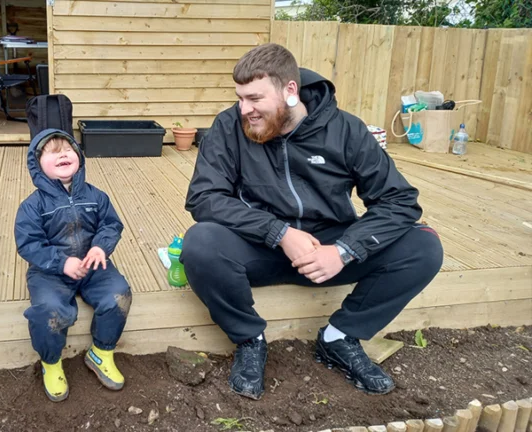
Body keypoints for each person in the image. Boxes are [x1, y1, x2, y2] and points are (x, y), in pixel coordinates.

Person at [181, 43, 443, 400]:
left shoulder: (346, 130)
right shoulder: (230, 125)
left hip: (328, 250)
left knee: (423, 246)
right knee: (200, 244)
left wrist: (345, 250)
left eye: (255, 98)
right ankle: (248, 339)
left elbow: (399, 201)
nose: (245, 109)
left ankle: (339, 337)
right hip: (262, 248)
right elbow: (204, 197)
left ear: (290, 91)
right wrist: (278, 232)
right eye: (240, 98)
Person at [14, 129, 132, 402]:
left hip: (92, 265)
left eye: (68, 149)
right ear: (37, 165)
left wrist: (100, 246)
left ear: (79, 157)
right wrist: (61, 262)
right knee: (48, 311)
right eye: (53, 152)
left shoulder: (96, 196)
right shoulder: (32, 206)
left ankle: (101, 352)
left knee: (119, 294)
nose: (63, 154)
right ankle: (52, 363)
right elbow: (29, 244)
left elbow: (111, 224)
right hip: (50, 272)